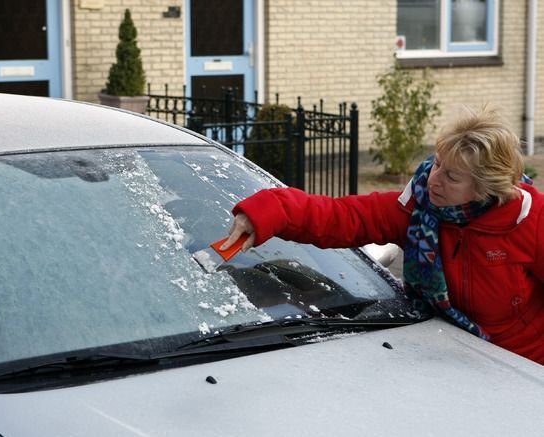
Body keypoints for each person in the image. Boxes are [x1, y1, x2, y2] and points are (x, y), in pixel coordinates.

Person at [221, 106, 544, 365]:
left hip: (524, 366)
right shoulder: (417, 212)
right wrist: (268, 210)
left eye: (452, 176)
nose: (434, 179)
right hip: (449, 356)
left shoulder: (529, 220)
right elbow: (340, 217)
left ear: (484, 187)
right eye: (437, 164)